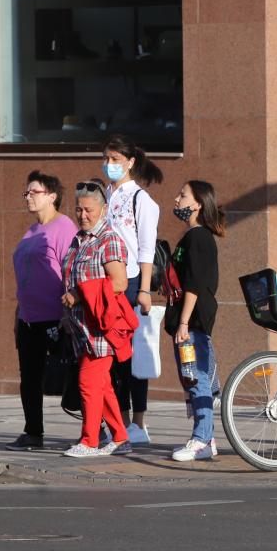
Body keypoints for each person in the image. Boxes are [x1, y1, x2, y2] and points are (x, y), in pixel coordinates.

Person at [60, 180, 133, 458]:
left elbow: (119, 282)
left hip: (101, 328)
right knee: (101, 386)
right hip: (81, 328)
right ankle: (120, 435)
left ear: (103, 210)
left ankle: (90, 440)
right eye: (79, 209)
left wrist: (79, 294)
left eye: (89, 210)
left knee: (88, 383)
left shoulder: (109, 239)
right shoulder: (78, 239)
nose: (83, 215)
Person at [7, 171, 78, 451]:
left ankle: (95, 429)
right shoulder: (32, 230)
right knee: (30, 378)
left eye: (33, 192)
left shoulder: (64, 228)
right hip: (28, 317)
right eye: (26, 193)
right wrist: (17, 315)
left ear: (52, 196)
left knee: (74, 376)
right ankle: (33, 432)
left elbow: (71, 273)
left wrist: (66, 314)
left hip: (54, 317)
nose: (28, 197)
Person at [101, 133, 163, 445]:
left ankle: (138, 422)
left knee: (132, 355)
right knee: (109, 355)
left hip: (133, 282)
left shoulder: (140, 199)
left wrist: (145, 291)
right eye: (107, 159)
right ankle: (118, 421)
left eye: (115, 159)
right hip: (104, 283)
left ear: (130, 162)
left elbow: (146, 248)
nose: (109, 165)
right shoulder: (105, 197)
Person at [165, 180, 226, 462]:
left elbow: (195, 284)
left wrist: (184, 324)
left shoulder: (199, 237)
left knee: (198, 380)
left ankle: (201, 440)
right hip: (187, 322)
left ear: (198, 203)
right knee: (192, 380)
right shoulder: (190, 237)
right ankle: (206, 438)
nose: (177, 199)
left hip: (194, 323)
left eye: (183, 195)